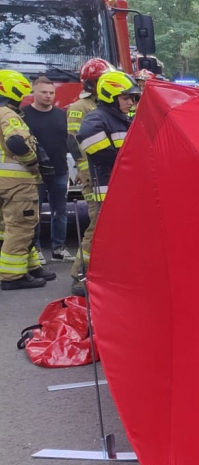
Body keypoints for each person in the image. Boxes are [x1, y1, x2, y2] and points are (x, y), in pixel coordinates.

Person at [72, 71, 139, 297]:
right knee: (100, 235)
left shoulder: (122, 118)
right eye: (127, 97)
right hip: (107, 189)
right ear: (111, 96)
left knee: (119, 236)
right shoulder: (97, 118)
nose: (131, 102)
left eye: (133, 98)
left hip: (122, 188)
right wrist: (123, 159)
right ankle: (81, 277)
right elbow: (92, 143)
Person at [0, 70, 55, 290]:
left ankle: (30, 266)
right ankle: (13, 276)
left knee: (9, 226)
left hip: (5, 183)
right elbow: (16, 142)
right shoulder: (8, 115)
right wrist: (34, 163)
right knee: (22, 225)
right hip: (18, 183)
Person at [21, 76, 72, 262]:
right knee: (34, 214)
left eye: (51, 93)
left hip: (60, 171)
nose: (48, 96)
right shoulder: (23, 116)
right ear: (33, 92)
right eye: (43, 92)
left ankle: (59, 249)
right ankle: (36, 250)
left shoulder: (61, 115)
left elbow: (68, 142)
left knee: (60, 212)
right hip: (35, 173)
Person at [68, 58, 108, 287]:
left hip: (100, 176)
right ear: (92, 84)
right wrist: (87, 173)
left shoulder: (101, 105)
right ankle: (80, 274)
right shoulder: (79, 108)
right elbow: (74, 144)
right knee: (97, 225)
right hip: (91, 177)